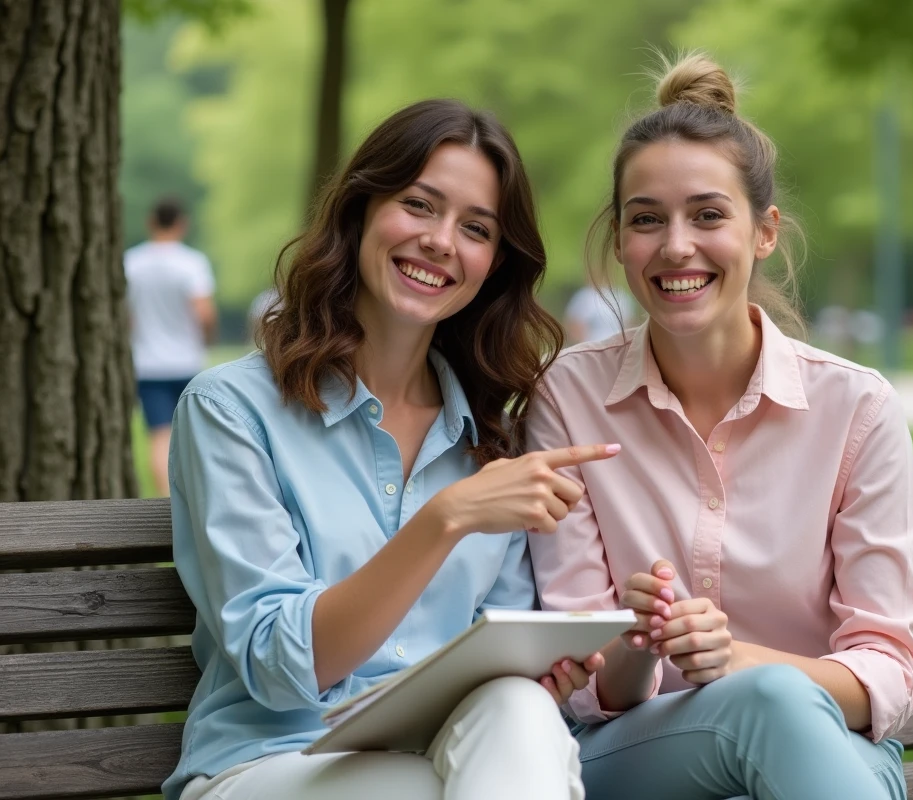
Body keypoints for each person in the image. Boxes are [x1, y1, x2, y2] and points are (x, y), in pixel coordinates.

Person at [164, 100, 620, 800]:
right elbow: (283, 667)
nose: (441, 241)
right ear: (361, 210)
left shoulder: (491, 436)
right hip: (271, 765)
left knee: (519, 708)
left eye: (475, 228)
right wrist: (444, 519)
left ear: (493, 264)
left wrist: (543, 672)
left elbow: (497, 657)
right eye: (419, 205)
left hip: (447, 762)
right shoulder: (231, 411)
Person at [528, 53, 913, 800]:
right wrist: (638, 644)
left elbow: (888, 666)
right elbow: (584, 687)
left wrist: (739, 661)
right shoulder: (568, 399)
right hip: (634, 758)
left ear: (765, 231)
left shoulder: (857, 409)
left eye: (708, 215)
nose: (676, 245)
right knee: (766, 709)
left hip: (829, 748)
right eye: (647, 219)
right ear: (619, 239)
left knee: (774, 707)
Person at [124, 197, 217, 496]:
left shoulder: (131, 262)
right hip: (187, 362)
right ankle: (195, 497)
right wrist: (205, 340)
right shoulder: (192, 263)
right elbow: (204, 313)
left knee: (159, 435)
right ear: (181, 224)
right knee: (192, 435)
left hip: (147, 364)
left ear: (151, 222)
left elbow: (126, 316)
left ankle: (165, 500)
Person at [563, 282, 639, 344]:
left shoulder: (622, 296)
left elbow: (629, 325)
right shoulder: (584, 296)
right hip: (591, 350)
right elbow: (574, 325)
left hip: (616, 350)